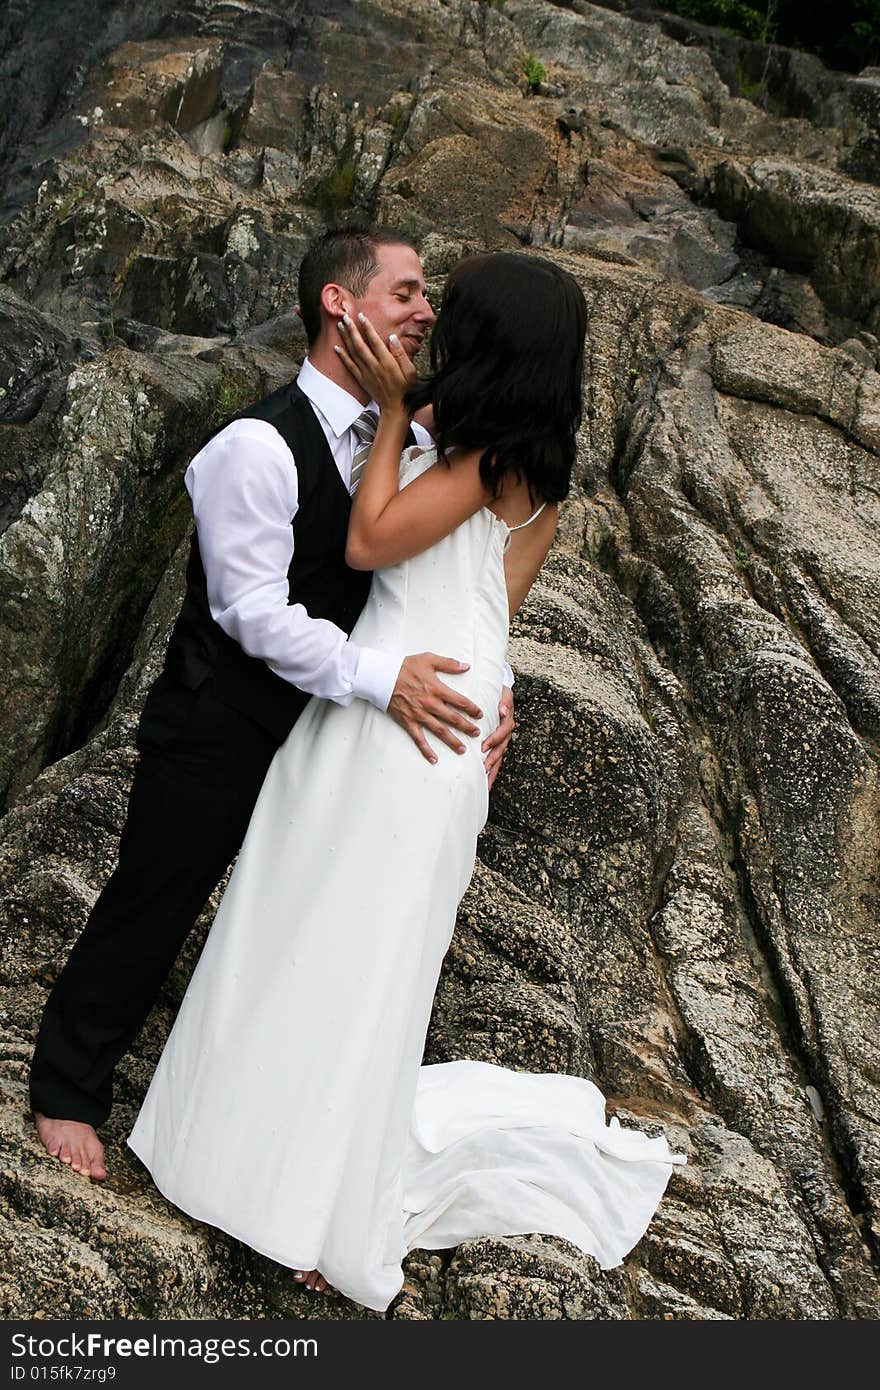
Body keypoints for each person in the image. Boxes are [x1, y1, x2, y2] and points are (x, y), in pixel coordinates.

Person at [127, 251, 685, 1311]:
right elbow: (490, 616)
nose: (431, 324)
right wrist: (503, 685)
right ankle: (269, 1158)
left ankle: (316, 1193)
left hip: (404, 726)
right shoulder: (531, 471)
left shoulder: (473, 461)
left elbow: (373, 539)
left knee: (342, 952)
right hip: (424, 711)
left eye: (452, 314)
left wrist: (388, 416)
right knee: (332, 944)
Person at [28, 225, 516, 1183]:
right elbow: (249, 611)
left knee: (300, 931)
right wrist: (385, 680)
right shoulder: (255, 443)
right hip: (222, 722)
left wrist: (497, 683)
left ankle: (258, 1130)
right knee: (157, 897)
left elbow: (465, 577)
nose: (426, 314)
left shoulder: (416, 442)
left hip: (336, 740)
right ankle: (67, 1085)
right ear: (341, 305)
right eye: (407, 293)